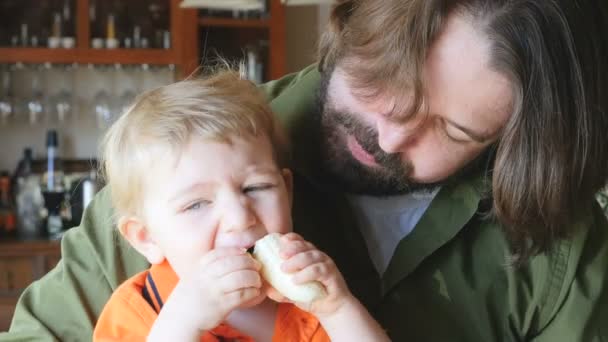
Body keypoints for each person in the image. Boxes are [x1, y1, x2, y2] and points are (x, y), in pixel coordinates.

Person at [3, 0, 608, 340]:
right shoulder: (182, 162)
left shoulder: (563, 246)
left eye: (453, 130)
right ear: (349, 30)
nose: (392, 135)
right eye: (386, 83)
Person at [92, 71, 388, 341]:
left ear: (287, 191)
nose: (239, 218)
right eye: (196, 205)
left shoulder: (311, 302)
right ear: (147, 237)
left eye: (256, 187)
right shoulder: (139, 310)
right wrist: (183, 323)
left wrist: (338, 309)